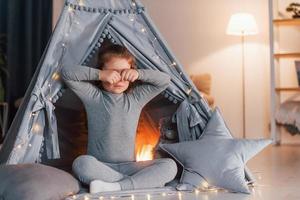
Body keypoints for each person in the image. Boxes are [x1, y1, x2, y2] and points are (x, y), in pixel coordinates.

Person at [60, 44, 177, 194]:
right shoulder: (93, 96)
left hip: (131, 167)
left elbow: (165, 80)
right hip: (100, 167)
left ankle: (116, 187)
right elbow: (66, 73)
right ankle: (137, 184)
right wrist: (101, 75)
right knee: (81, 163)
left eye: (124, 72)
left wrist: (138, 74)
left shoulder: (136, 98)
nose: (119, 78)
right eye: (113, 72)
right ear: (102, 70)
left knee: (170, 166)